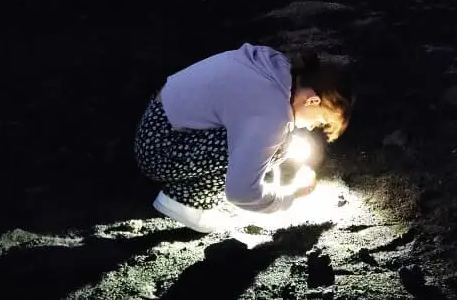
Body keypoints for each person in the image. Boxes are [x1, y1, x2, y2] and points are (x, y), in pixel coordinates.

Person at [133, 43, 355, 233]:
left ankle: (183, 193)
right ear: (312, 101)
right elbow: (242, 193)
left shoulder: (274, 67)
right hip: (158, 150)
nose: (310, 127)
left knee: (264, 141)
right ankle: (186, 203)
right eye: (319, 121)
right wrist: (290, 195)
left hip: (158, 120)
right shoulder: (272, 112)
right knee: (280, 146)